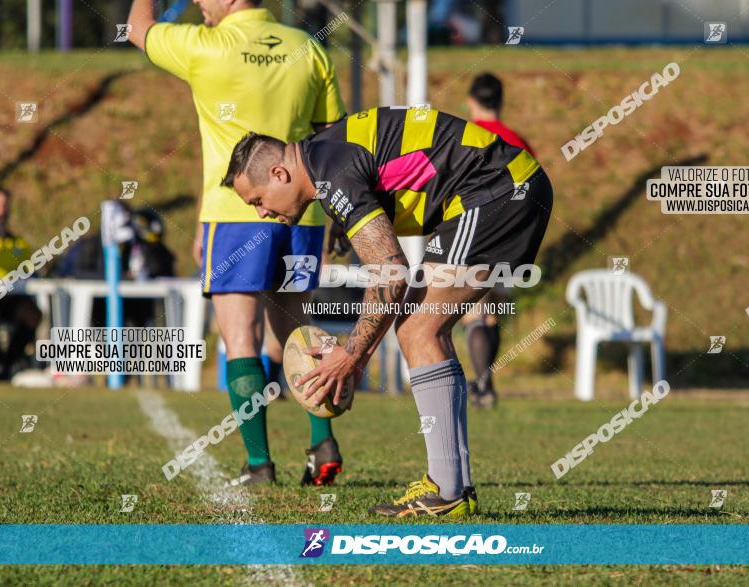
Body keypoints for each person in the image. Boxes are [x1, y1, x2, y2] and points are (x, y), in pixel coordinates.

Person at [222, 105, 552, 517]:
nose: (261, 213)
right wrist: (358, 353)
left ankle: (448, 492)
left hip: (498, 189)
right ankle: (451, 488)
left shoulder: (331, 170)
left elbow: (392, 273)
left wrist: (351, 355)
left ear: (279, 174)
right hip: (495, 188)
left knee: (419, 330)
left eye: (257, 200)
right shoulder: (323, 157)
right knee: (417, 329)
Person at [127, 0, 348, 486]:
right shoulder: (307, 46)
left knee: (240, 338)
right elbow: (333, 137)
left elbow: (138, 28)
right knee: (297, 331)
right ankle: (322, 442)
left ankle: (258, 464)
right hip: (303, 208)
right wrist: (337, 210)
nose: (198, 4)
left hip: (237, 212)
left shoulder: (206, 45)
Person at [459, 72, 537, 408]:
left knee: (473, 311)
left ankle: (483, 384)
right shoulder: (518, 140)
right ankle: (485, 381)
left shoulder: (464, 136)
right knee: (492, 312)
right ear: (501, 100)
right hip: (512, 233)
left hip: (474, 229)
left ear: (471, 100)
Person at [0, 184, 42, 379]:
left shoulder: (16, 242)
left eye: (3, 206)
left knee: (31, 314)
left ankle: (6, 366)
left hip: (9, 296)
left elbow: (28, 268)